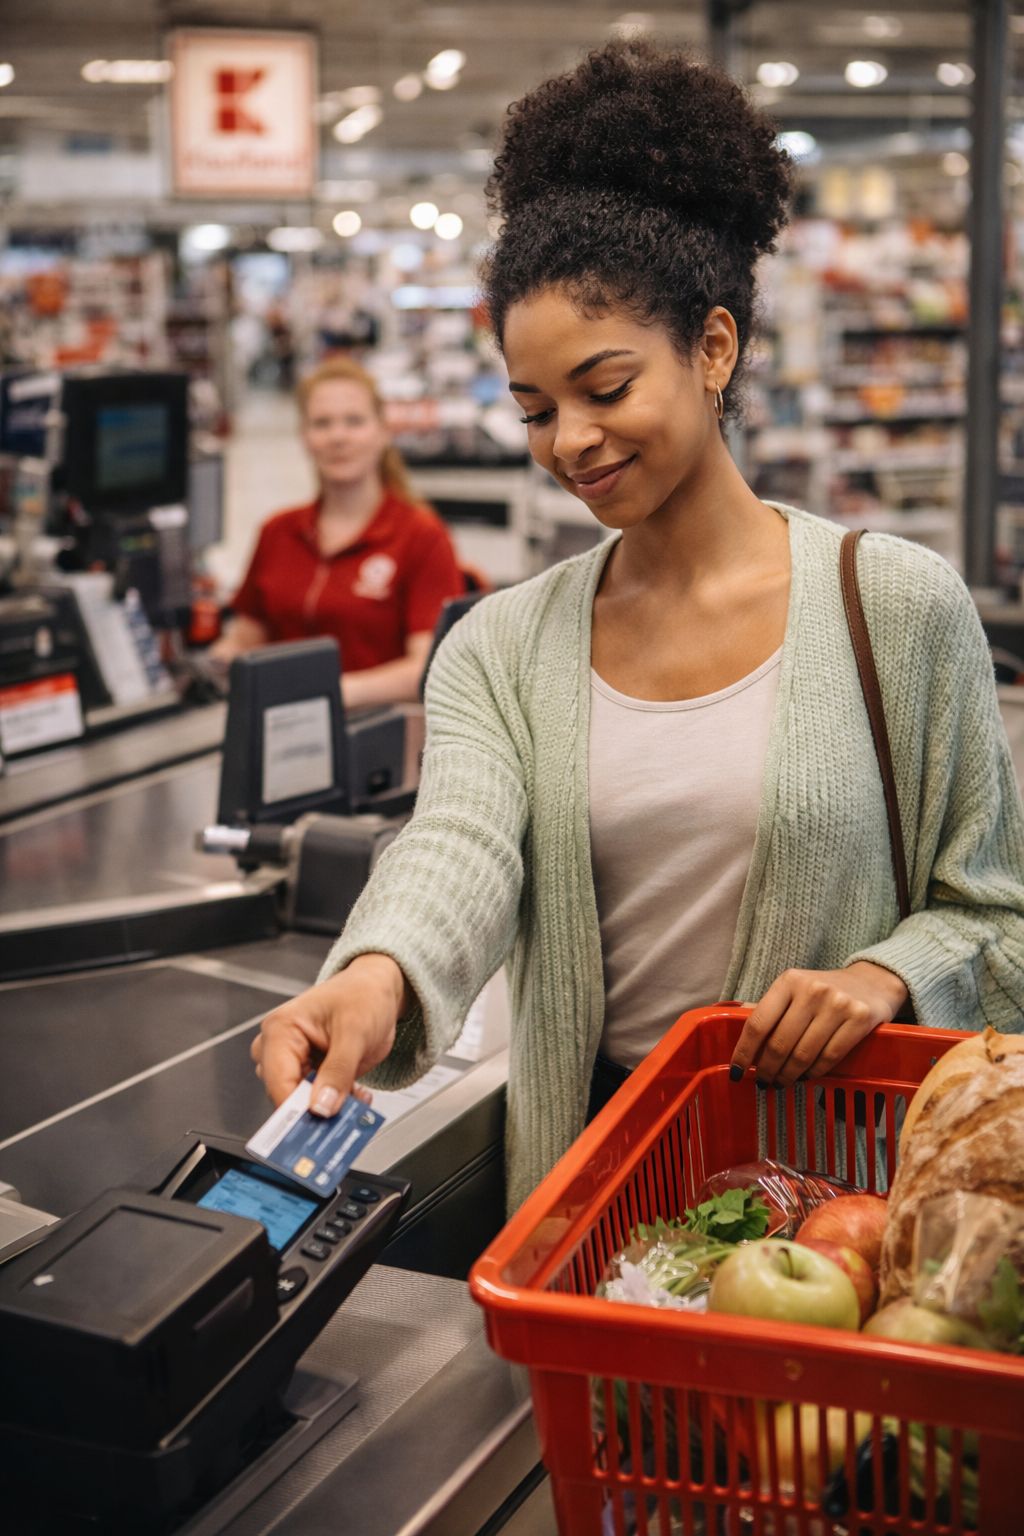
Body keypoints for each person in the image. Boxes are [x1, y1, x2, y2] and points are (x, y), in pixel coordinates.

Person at [253, 41, 1024, 1215]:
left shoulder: (896, 606)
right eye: (534, 410)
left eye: (605, 390)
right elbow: (458, 844)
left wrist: (886, 973)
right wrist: (375, 974)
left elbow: (994, 911)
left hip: (846, 1210)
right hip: (594, 1183)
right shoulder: (502, 647)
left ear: (712, 348)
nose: (569, 441)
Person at [212, 356, 466, 708]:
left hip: (376, 738)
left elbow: (428, 666)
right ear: (304, 436)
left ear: (382, 431)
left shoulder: (421, 536)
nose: (338, 437)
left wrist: (328, 695)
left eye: (354, 421)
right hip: (279, 729)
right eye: (322, 423)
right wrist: (215, 662)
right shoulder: (277, 531)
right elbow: (247, 636)